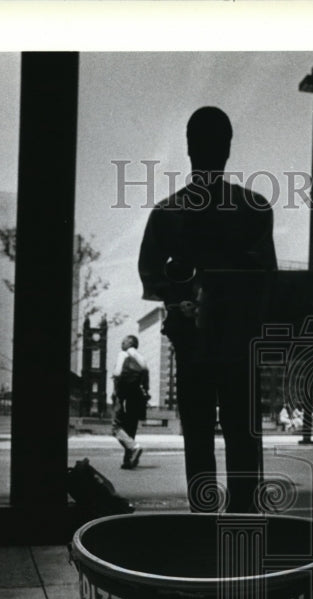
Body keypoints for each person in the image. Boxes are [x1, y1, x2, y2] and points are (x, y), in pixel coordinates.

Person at [138, 106, 277, 513]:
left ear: (188, 148)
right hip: (237, 340)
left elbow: (150, 272)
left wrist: (178, 297)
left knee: (198, 436)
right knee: (242, 435)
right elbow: (265, 277)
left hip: (194, 341)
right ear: (228, 149)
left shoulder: (168, 211)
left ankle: (204, 518)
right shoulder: (254, 208)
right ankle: (244, 519)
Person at [111, 334, 149, 469]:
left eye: (124, 341)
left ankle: (134, 447)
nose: (122, 343)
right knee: (130, 429)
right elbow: (145, 381)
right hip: (137, 398)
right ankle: (128, 461)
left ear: (130, 343)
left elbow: (117, 374)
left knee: (116, 427)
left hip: (123, 397)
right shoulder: (142, 359)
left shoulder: (123, 354)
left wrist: (115, 391)